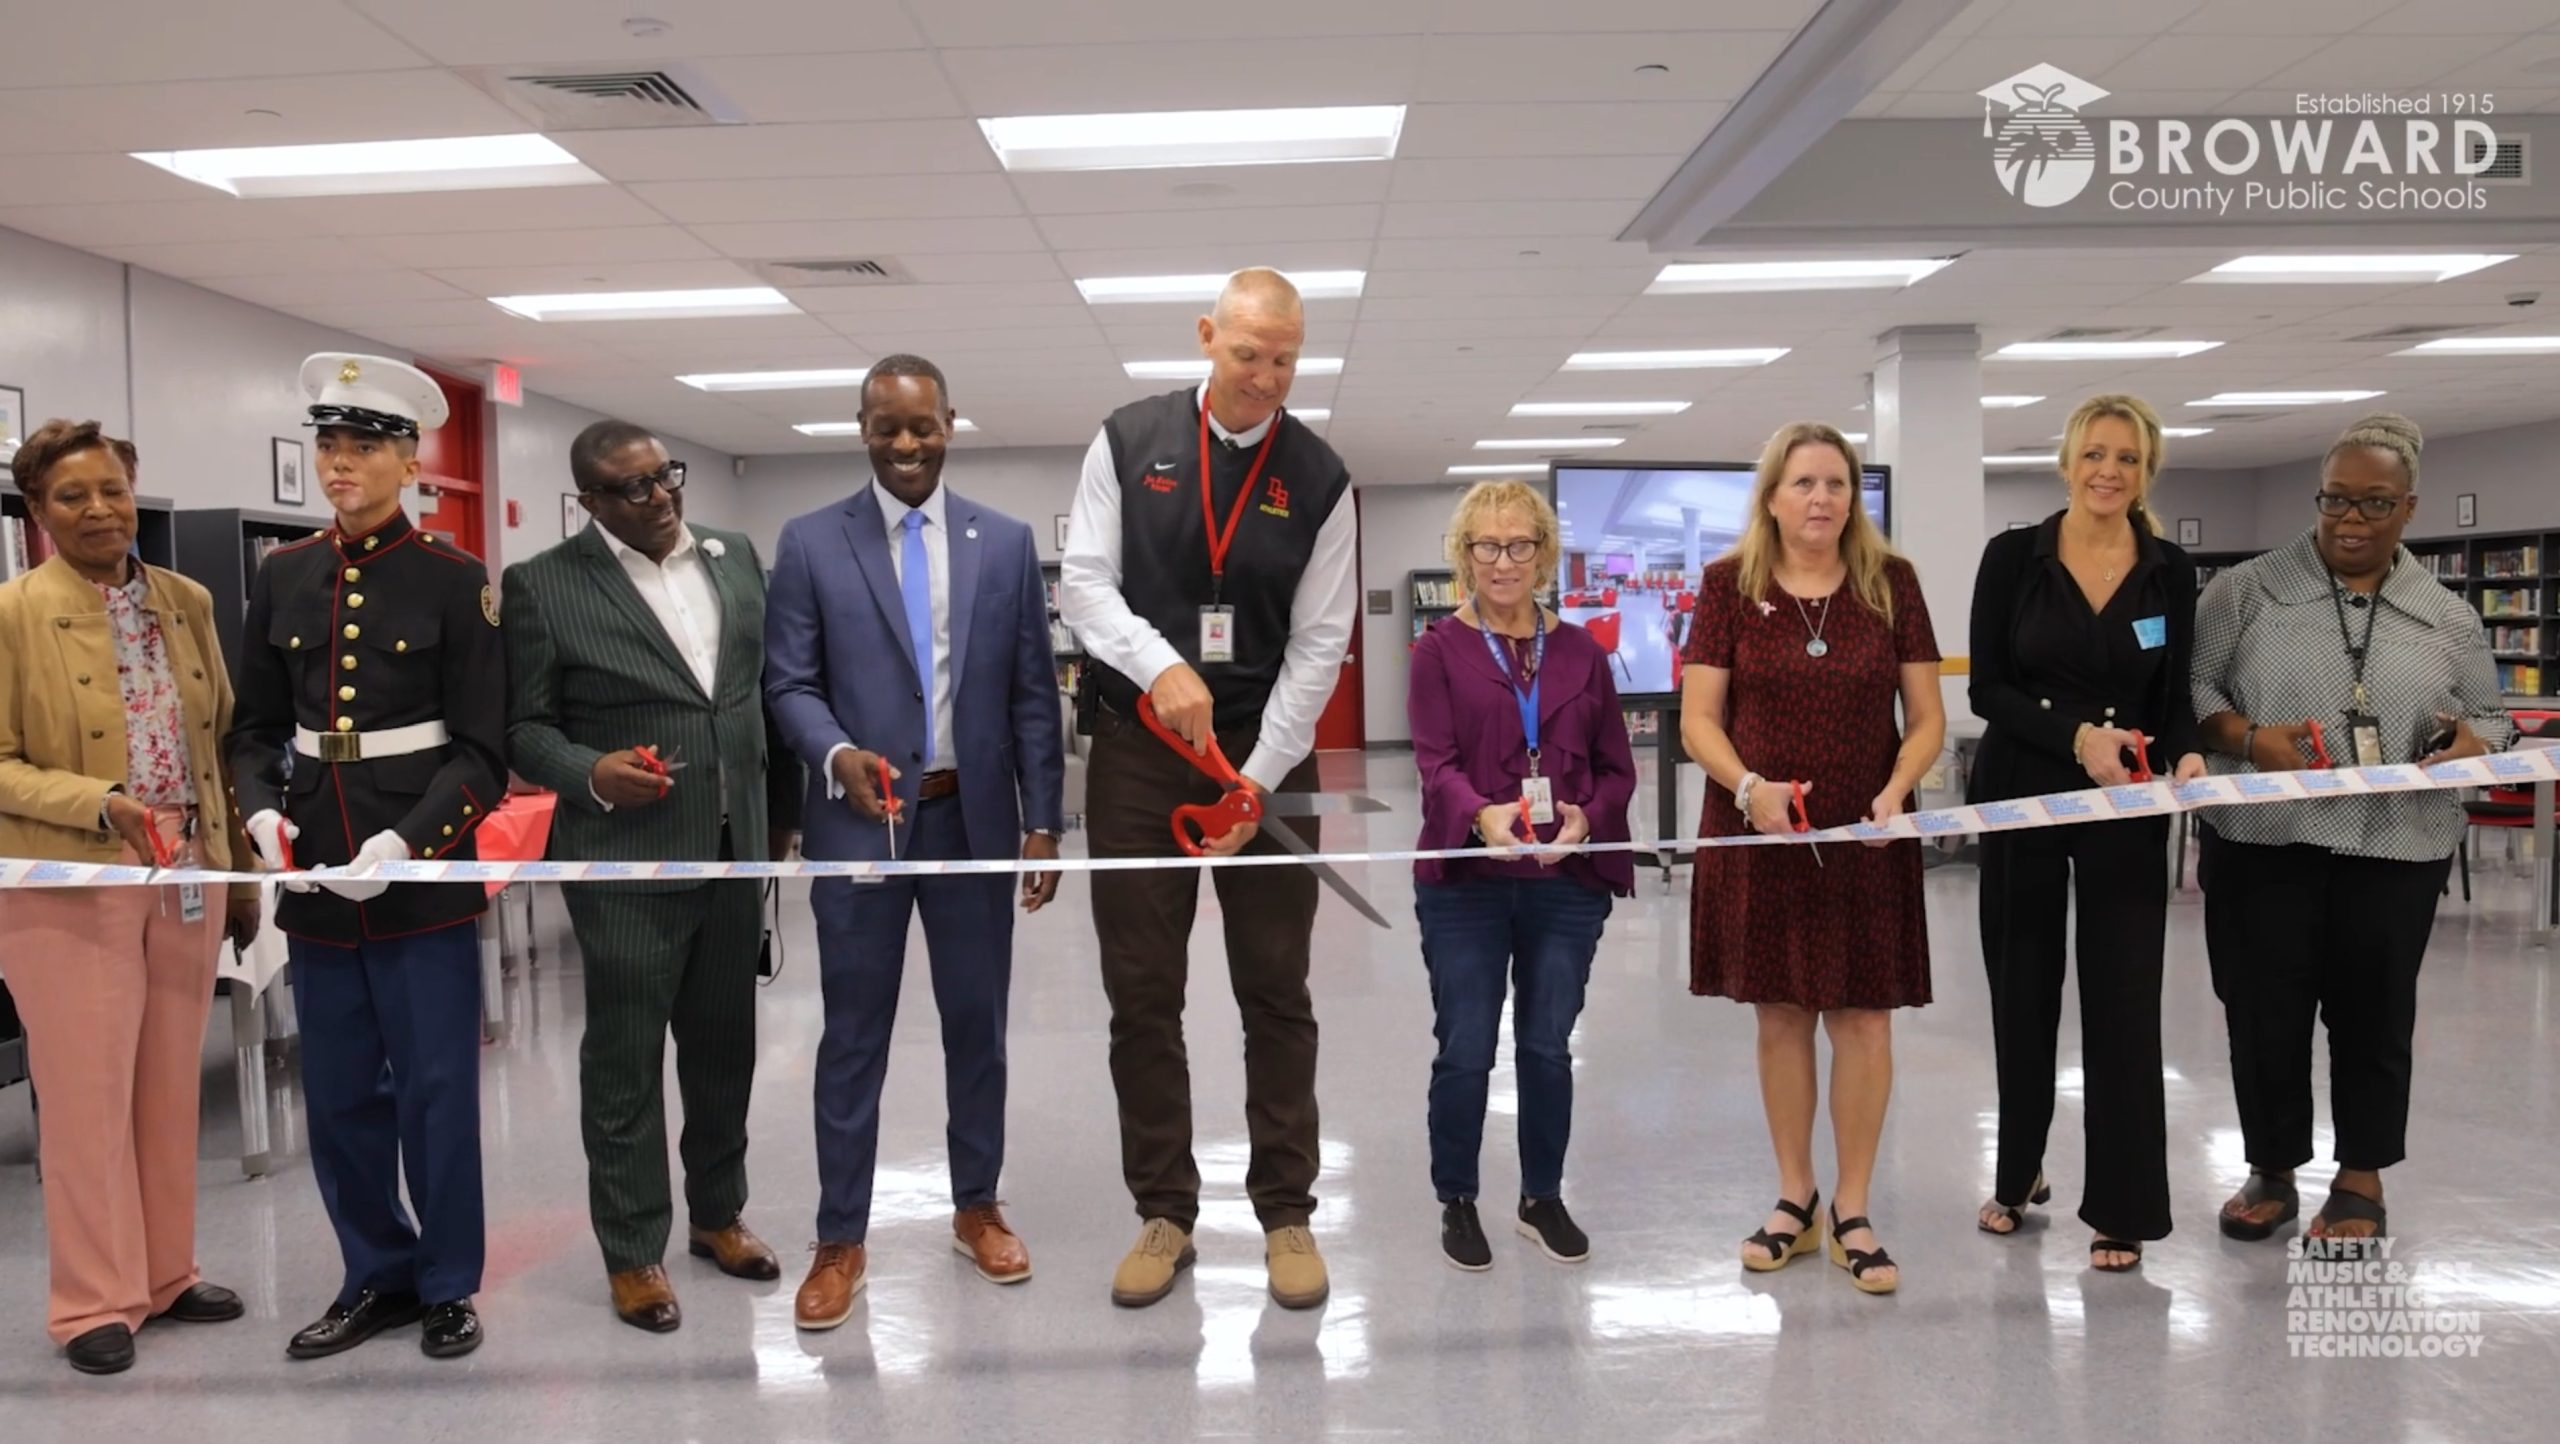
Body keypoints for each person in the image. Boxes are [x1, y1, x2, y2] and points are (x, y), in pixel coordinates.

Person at [1059, 267, 1357, 1310]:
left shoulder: (1319, 477)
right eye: (1247, 353)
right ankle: (1164, 1211)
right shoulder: (1127, 439)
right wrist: (1159, 666)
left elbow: (1320, 645)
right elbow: (1085, 583)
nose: (1266, 376)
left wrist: (1257, 782)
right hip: (1141, 745)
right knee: (1143, 991)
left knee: (1276, 987)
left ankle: (1285, 1212)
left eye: (1284, 358)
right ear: (1205, 337)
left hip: (1264, 749)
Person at [765, 354, 1065, 1328]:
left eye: (922, 425)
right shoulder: (811, 543)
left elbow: (1030, 694)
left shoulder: (1005, 543)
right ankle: (840, 1236)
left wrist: (1042, 823)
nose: (905, 444)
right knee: (853, 1035)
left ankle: (976, 1204)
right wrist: (834, 749)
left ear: (949, 423)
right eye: (886, 427)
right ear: (860, 427)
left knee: (976, 1027)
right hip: (860, 824)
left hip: (968, 821)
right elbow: (788, 684)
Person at [226, 353, 506, 1360]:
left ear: (407, 459)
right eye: (328, 446)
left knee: (434, 1090)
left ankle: (444, 1281)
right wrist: (261, 812)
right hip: (316, 878)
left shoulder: (452, 581)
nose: (338, 466)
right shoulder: (282, 573)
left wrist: (409, 839)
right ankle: (373, 1273)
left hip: (417, 877)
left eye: (360, 448)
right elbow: (255, 727)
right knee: (339, 1095)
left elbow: (483, 748)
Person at [502, 420, 800, 1332]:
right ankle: (633, 1251)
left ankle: (718, 1214)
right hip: (627, 858)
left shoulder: (735, 556)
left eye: (665, 477)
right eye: (632, 489)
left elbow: (758, 697)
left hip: (733, 848)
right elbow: (523, 727)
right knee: (626, 1064)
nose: (661, 497)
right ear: (589, 502)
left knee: (725, 1048)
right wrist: (589, 771)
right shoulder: (544, 586)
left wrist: (780, 821)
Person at [2193, 412, 2510, 1244]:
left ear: (2409, 508)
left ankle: (2362, 1176)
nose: (2351, 520)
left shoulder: (2448, 617)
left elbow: (2493, 719)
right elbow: (2195, 697)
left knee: (2374, 1013)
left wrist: (2472, 742)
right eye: (2335, 500)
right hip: (2263, 841)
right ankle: (2270, 1166)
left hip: (2395, 844)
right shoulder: (2244, 591)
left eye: (2374, 504)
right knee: (2262, 1010)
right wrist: (2251, 739)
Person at [0, 422, 258, 1375]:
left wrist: (237, 877)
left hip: (186, 878)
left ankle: (165, 1273)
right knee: (84, 1101)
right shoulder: (13, 613)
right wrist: (102, 807)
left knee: (166, 1089)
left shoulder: (182, 601)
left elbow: (217, 745)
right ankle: (90, 1303)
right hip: (71, 887)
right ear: (37, 512)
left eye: (111, 490)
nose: (99, 510)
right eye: (72, 496)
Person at [1677, 421, 1942, 1297]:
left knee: (1865, 1018)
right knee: (1782, 1014)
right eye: (1803, 483)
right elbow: (1698, 721)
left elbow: (1927, 716)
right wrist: (1749, 786)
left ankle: (1854, 1209)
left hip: (1865, 832)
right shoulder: (1727, 586)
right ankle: (1796, 1195)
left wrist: (1900, 786)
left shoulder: (1890, 583)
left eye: (1836, 483)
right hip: (1761, 829)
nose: (1821, 498)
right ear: (1772, 497)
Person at [1967, 394, 2206, 1274]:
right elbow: (1986, 689)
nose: (2109, 472)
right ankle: (2019, 1169)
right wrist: (2074, 738)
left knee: (2122, 999)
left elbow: (2176, 695)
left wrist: (2183, 759)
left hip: (2129, 806)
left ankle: (2122, 1205)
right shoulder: (2013, 558)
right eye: (2095, 454)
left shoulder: (2169, 571)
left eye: (2129, 459)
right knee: (2022, 985)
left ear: (2148, 471)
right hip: (2025, 789)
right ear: (2067, 460)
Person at [1406, 481, 1635, 1271]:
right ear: (1462, 555)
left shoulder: (1583, 654)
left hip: (1563, 884)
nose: (1502, 562)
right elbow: (1435, 766)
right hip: (1468, 882)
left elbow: (1617, 770)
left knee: (1546, 1045)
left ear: (1543, 553)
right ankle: (1457, 1199)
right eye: (1486, 546)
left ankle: (1542, 1196)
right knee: (1466, 1046)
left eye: (1519, 545)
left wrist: (1587, 819)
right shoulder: (1437, 652)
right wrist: (1481, 817)